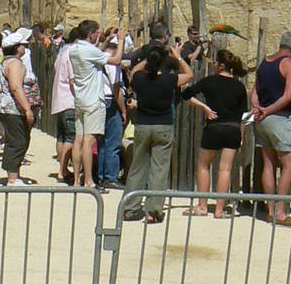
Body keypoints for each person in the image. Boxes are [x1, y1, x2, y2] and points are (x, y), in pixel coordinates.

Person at [124, 39, 193, 222]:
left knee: (138, 168)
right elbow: (189, 75)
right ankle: (153, 212)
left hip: (143, 125)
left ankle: (130, 208)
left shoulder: (140, 79)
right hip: (163, 125)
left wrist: (147, 59)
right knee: (159, 170)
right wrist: (178, 57)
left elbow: (133, 73)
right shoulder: (169, 79)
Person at [183, 48, 248, 217]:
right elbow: (244, 115)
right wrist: (242, 134)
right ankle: (219, 210)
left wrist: (204, 107)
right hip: (233, 129)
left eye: (214, 61)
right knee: (225, 170)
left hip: (214, 127)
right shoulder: (239, 86)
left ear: (220, 65)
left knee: (204, 165)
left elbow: (186, 94)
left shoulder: (209, 81)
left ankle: (203, 206)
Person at [252, 32, 291, 227]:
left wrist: (257, 108)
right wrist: (267, 110)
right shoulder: (289, 65)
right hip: (278, 119)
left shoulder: (264, 63)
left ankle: (271, 210)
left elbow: (255, 92)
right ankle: (280, 213)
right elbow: (287, 96)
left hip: (262, 120)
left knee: (269, 164)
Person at [68, 20, 123, 190]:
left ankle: (77, 179)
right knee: (89, 140)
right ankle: (89, 181)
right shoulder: (90, 51)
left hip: (80, 99)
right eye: (97, 33)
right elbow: (116, 59)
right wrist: (120, 40)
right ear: (91, 34)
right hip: (93, 100)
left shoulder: (75, 49)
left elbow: (96, 53)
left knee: (78, 139)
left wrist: (106, 39)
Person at [0, 28, 36, 185]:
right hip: (12, 107)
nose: (24, 48)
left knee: (16, 139)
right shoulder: (14, 64)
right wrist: (27, 109)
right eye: (22, 45)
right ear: (16, 47)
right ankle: (12, 178)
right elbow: (16, 87)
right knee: (18, 141)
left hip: (5, 107)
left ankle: (14, 174)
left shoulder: (5, 62)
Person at [99, 35, 127, 190]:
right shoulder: (112, 63)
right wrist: (123, 110)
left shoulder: (99, 58)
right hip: (111, 101)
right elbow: (116, 88)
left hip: (100, 101)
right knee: (113, 142)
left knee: (102, 143)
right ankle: (111, 177)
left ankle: (101, 176)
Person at [50, 31, 77, 184]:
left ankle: (63, 168)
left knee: (61, 137)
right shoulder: (72, 53)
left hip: (59, 101)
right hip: (69, 101)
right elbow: (72, 80)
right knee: (71, 137)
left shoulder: (61, 53)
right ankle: (63, 171)